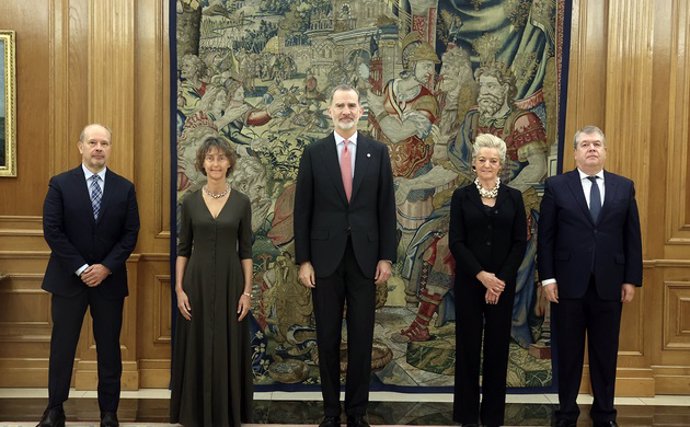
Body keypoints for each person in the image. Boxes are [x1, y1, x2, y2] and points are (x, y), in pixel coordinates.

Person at [294, 84, 396, 427]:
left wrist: (386, 257)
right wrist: (303, 260)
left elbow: (386, 208)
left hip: (366, 260)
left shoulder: (377, 152)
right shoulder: (314, 153)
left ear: (361, 110)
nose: (346, 111)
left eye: (352, 105)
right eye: (340, 105)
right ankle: (330, 412)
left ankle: (356, 412)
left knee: (362, 337)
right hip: (324, 259)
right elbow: (302, 210)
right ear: (330, 110)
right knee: (326, 337)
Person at [537, 125, 642, 427]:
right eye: (585, 144)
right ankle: (566, 412)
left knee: (605, 353)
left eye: (597, 144)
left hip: (610, 284)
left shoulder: (624, 187)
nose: (592, 148)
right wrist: (547, 278)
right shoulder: (558, 186)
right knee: (568, 352)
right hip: (567, 284)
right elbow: (546, 237)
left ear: (605, 151)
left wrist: (631, 279)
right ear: (575, 153)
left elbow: (632, 236)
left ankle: (605, 413)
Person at [38, 124, 140, 427]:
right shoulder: (60, 184)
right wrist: (82, 268)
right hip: (69, 279)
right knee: (63, 346)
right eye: (93, 142)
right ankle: (54, 409)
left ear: (110, 148)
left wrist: (105, 267)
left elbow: (130, 234)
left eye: (104, 143)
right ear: (80, 146)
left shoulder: (125, 188)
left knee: (109, 347)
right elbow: (52, 231)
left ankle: (109, 412)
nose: (99, 148)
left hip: (108, 281)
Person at [170, 137, 254, 427]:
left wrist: (246, 292)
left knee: (227, 343)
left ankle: (228, 412)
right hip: (197, 283)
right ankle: (193, 412)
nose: (215, 164)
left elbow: (246, 251)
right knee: (197, 343)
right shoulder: (190, 202)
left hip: (232, 283)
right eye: (210, 158)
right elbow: (183, 249)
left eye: (220, 158)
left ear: (229, 163)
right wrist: (179, 290)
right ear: (202, 164)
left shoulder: (242, 202)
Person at [449, 134, 527, 427]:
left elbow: (520, 243)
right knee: (467, 349)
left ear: (501, 165)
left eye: (493, 160)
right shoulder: (461, 196)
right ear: (474, 163)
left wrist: (499, 281)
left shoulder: (514, 197)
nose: (487, 164)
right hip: (470, 284)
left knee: (497, 351)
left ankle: (493, 416)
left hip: (503, 287)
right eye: (482, 159)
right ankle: (467, 416)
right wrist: (482, 277)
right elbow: (456, 242)